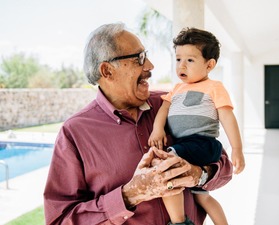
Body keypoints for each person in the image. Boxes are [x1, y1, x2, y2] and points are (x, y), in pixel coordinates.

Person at [43, 22, 233, 225]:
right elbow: (60, 220)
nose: (150, 66)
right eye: (139, 58)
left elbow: (224, 166)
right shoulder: (75, 133)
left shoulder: (170, 104)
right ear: (107, 71)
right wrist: (131, 194)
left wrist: (199, 175)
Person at [148, 27, 245, 225]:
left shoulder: (214, 87)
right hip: (187, 144)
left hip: (203, 143)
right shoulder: (176, 89)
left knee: (167, 166)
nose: (182, 65)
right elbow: (163, 111)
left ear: (209, 65)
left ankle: (179, 222)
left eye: (190, 60)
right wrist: (158, 130)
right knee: (203, 197)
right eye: (178, 59)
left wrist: (237, 149)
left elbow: (227, 117)